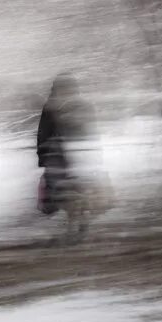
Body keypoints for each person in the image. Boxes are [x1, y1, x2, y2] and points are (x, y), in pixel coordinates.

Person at [36, 73, 96, 220]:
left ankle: (60, 207)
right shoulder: (84, 105)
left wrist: (42, 156)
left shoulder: (51, 106)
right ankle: (80, 208)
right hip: (78, 152)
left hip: (60, 154)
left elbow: (43, 133)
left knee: (55, 186)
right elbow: (92, 130)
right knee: (81, 182)